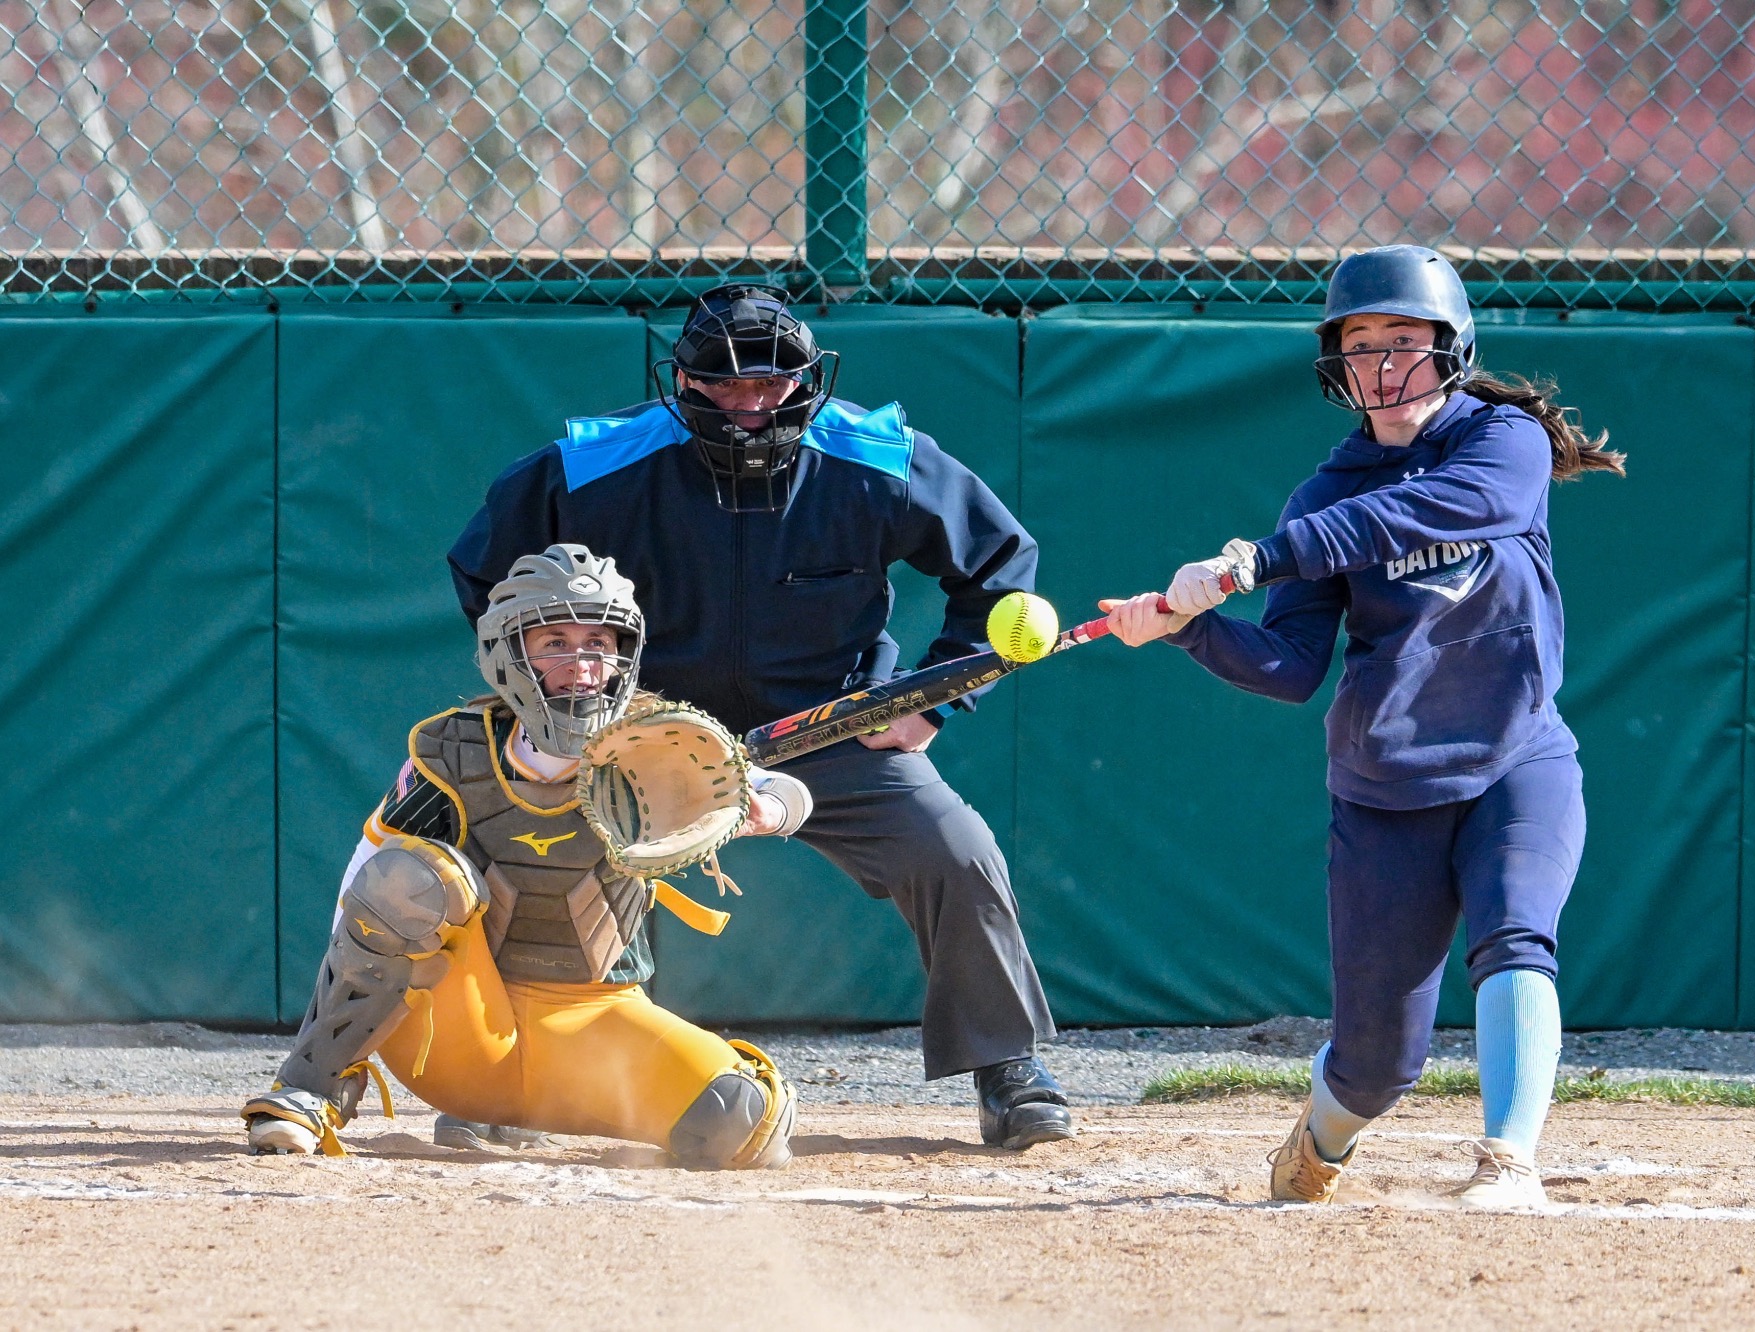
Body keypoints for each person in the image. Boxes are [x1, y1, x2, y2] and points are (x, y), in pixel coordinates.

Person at [445, 284, 1073, 1150]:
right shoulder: (597, 463)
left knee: (955, 849)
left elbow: (999, 566)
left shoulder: (873, 456)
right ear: (683, 381)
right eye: (727, 383)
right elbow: (486, 574)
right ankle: (510, 1080)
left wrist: (935, 699)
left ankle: (1007, 1067)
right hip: (644, 739)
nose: (752, 403)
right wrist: (571, 701)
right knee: (541, 856)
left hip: (832, 727)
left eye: (773, 383)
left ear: (809, 378)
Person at [1097, 245, 1625, 1207]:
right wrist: (1187, 629)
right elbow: (1290, 668)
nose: (1383, 363)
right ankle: (1323, 1135)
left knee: (1517, 935)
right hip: (1387, 786)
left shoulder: (1502, 442)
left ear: (1452, 346)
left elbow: (1442, 508)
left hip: (1519, 754)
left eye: (1404, 340)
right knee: (1377, 1061)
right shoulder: (1324, 494)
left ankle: (1509, 1161)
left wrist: (1258, 559)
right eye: (1361, 343)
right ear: (1335, 363)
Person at [242, 545, 810, 1166]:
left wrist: (766, 807)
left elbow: (789, 793)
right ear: (508, 652)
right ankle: (310, 1091)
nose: (582, 664)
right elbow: (369, 876)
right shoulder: (454, 750)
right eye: (555, 642)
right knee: (411, 877)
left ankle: (518, 1114)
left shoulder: (662, 739)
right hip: (457, 1023)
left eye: (599, 642)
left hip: (591, 1021)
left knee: (739, 1120)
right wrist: (339, 1009)